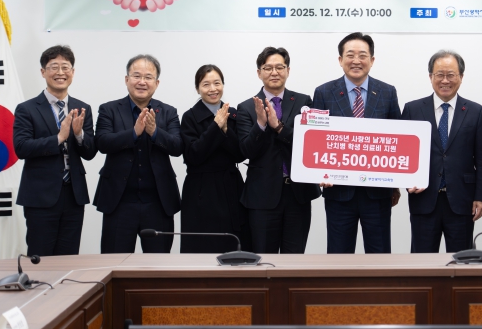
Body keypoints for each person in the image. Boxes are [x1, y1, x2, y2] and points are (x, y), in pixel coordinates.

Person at [312, 32, 402, 254]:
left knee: (380, 254)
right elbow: (316, 139)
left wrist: (396, 183)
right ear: (340, 59)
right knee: (339, 256)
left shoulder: (387, 92)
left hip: (378, 193)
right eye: (350, 55)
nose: (356, 61)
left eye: (362, 55)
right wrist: (319, 172)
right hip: (339, 193)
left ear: (372, 60)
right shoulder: (323, 92)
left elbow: (398, 140)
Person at [400, 50, 482, 253]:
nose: (445, 80)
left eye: (451, 75)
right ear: (430, 76)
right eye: (439, 74)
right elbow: (403, 153)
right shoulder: (413, 109)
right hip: (423, 199)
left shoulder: (476, 111)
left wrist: (481, 196)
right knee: (422, 261)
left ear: (461, 77)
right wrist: (407, 181)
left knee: (462, 261)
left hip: (462, 201)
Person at [94, 54, 183, 254]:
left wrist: (155, 132)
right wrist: (133, 133)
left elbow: (177, 147)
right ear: (127, 80)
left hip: (158, 203)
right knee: (114, 262)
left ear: (156, 83)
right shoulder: (109, 109)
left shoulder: (168, 112)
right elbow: (102, 142)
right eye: (136, 76)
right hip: (119, 202)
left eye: (148, 77)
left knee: (158, 265)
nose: (142, 82)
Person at [13, 45, 97, 256]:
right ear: (43, 72)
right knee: (40, 257)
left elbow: (90, 153)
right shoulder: (27, 109)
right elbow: (21, 148)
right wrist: (59, 138)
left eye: (65, 67)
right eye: (54, 67)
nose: (60, 72)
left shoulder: (82, 108)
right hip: (40, 196)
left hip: (74, 194)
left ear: (73, 72)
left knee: (68, 258)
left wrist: (78, 134)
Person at [236, 47, 320, 254]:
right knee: (264, 259)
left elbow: (310, 143)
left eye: (279, 67)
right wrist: (261, 125)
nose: (274, 72)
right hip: (262, 196)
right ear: (259, 73)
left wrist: (278, 127)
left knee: (294, 259)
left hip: (298, 194)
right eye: (268, 68)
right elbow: (246, 151)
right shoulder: (246, 107)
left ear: (288, 70)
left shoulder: (303, 102)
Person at [180, 64, 249, 253]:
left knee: (235, 243)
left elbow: (241, 153)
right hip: (200, 189)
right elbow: (193, 155)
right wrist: (216, 127)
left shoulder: (233, 114)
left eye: (217, 83)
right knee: (202, 244)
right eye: (206, 84)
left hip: (231, 186)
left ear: (223, 85)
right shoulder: (189, 117)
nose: (213, 89)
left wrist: (226, 130)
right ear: (197, 89)